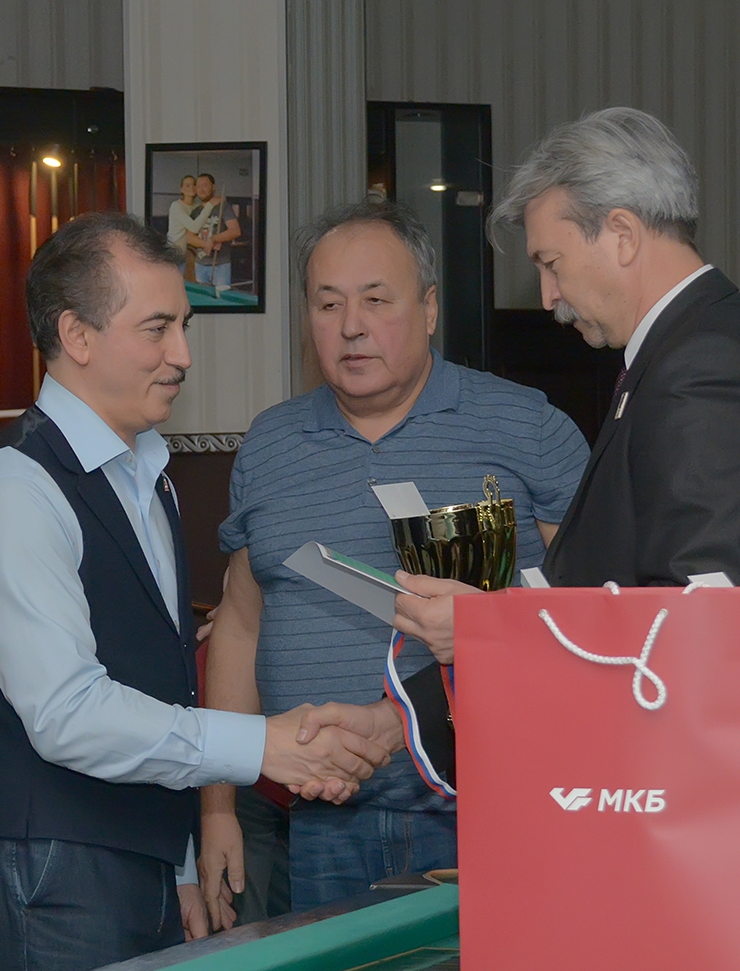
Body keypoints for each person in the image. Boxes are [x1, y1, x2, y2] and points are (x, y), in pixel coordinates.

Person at [0, 211, 391, 971]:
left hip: (134, 862)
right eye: (157, 329)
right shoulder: (13, 492)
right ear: (76, 336)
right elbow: (67, 713)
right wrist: (263, 746)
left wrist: (175, 860)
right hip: (50, 868)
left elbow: (155, 681)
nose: (182, 355)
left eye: (183, 326)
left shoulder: (147, 477)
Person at [201, 200, 589, 917]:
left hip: (492, 812)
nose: (351, 326)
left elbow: (600, 610)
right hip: (318, 822)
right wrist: (217, 807)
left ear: (429, 307)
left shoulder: (527, 427)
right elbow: (240, 625)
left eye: (376, 300)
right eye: (328, 304)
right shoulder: (270, 445)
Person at [389, 107, 740, 669]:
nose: (547, 296)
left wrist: (488, 629)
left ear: (623, 235)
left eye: (551, 263)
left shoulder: (711, 366)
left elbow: (696, 619)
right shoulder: (686, 351)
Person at [190, 173, 242, 291]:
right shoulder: (196, 211)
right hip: (200, 264)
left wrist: (214, 239)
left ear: (213, 187)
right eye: (198, 186)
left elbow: (235, 231)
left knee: (221, 298)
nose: (201, 189)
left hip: (221, 264)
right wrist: (207, 244)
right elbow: (189, 237)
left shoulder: (224, 207)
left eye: (205, 185)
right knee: (202, 298)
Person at [163, 174, 210, 277]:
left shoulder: (197, 206)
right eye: (187, 186)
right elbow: (194, 227)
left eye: (194, 185)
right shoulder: (176, 206)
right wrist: (210, 206)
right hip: (174, 252)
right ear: (181, 189)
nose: (191, 188)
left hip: (189, 252)